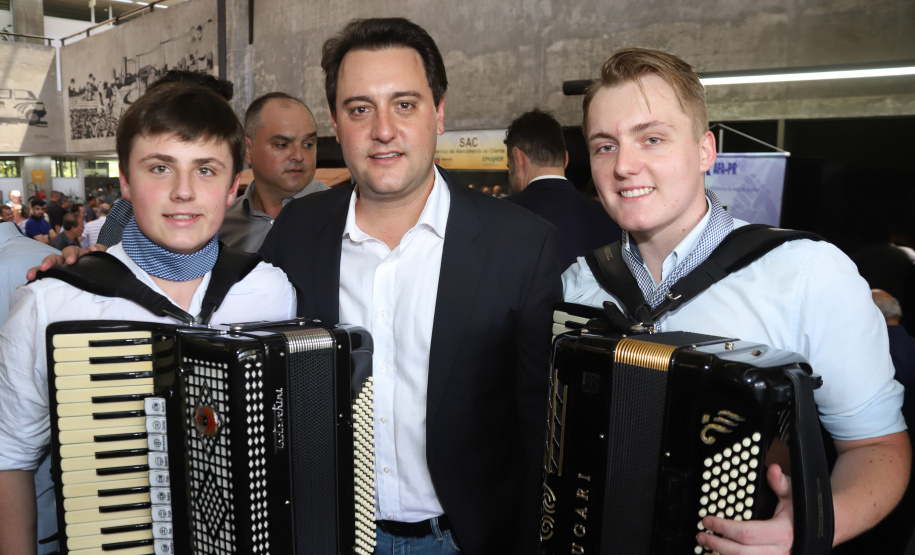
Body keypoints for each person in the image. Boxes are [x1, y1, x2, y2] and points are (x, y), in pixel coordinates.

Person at [562, 47, 910, 553]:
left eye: (652, 138)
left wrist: (811, 528)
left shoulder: (807, 272)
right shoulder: (578, 285)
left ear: (705, 151)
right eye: (604, 146)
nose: (625, 166)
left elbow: (878, 447)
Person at [259, 17, 561, 553]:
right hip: (328, 534)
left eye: (405, 104)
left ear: (438, 113)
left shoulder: (521, 245)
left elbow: (541, 426)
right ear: (336, 120)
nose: (383, 130)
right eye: (360, 109)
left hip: (462, 538)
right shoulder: (297, 234)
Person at [0, 81, 297, 555]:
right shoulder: (52, 302)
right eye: (160, 168)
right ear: (125, 182)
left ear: (232, 187)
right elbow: (9, 460)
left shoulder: (269, 290)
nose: (183, 192)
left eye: (205, 170)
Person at [504, 108, 621, 270]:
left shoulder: (500, 215)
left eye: (509, 167)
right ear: (566, 159)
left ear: (518, 159)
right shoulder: (612, 217)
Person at [219, 92, 329, 252]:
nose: (298, 156)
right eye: (283, 145)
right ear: (248, 149)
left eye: (308, 144)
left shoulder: (342, 217)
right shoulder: (221, 226)